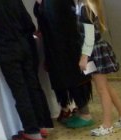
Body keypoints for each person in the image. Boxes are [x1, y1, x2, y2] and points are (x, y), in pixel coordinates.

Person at [0, 0, 54, 140]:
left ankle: (31, 130)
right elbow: (28, 23)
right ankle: (41, 125)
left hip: (6, 48)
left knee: (20, 90)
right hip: (24, 45)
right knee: (33, 85)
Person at [76, 0, 121, 136]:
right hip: (96, 49)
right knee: (105, 86)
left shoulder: (86, 8)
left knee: (102, 90)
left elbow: (89, 37)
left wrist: (84, 56)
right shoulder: (88, 6)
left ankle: (107, 125)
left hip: (93, 51)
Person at [34, 0, 95, 129]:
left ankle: (85, 114)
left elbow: (64, 22)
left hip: (68, 47)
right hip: (56, 48)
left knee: (75, 78)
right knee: (65, 79)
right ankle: (78, 111)